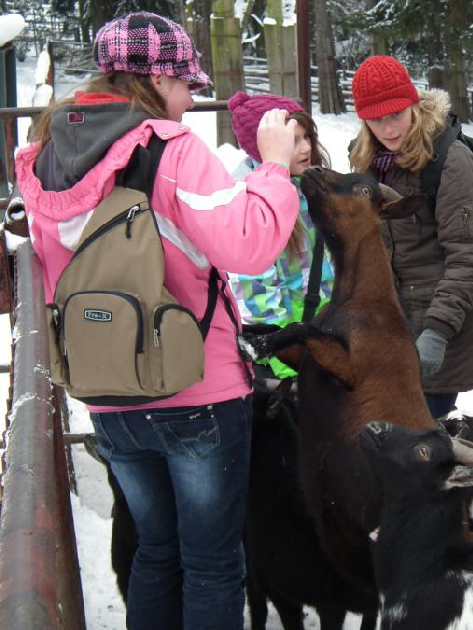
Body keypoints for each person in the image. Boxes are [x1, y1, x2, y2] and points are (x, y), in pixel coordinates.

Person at [14, 12, 299, 630]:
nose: (191, 98)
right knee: (212, 563)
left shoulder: (46, 154)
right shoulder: (173, 149)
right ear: (156, 79)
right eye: (185, 83)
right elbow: (248, 244)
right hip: (196, 390)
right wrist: (274, 167)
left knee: (156, 550)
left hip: (107, 393)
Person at [348, 55, 473, 420]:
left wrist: (437, 332)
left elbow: (468, 255)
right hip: (387, 331)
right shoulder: (365, 160)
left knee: (419, 438)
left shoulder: (450, 160)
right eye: (375, 120)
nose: (388, 129)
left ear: (412, 103)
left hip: (438, 330)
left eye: (396, 114)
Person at [226, 91, 335, 382]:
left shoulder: (314, 186)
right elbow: (256, 297)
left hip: (326, 335)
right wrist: (289, 365)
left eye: (307, 136)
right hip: (292, 353)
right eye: (294, 141)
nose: (306, 147)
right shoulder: (250, 203)